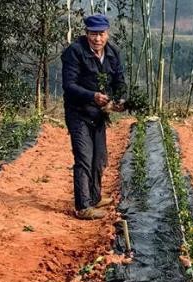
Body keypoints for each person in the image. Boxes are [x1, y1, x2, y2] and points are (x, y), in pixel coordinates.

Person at [61, 14, 126, 220]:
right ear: (86, 33)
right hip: (78, 113)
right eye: (93, 34)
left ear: (107, 34)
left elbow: (119, 81)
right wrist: (92, 96)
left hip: (99, 113)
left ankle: (95, 196)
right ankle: (83, 206)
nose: (97, 39)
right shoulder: (74, 52)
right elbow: (69, 85)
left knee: (99, 159)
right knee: (84, 158)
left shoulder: (113, 53)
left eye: (101, 34)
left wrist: (121, 99)